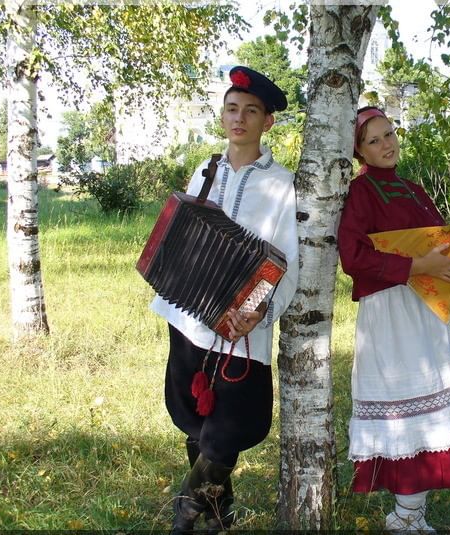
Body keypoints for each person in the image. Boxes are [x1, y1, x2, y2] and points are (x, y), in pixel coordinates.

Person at [337, 106, 450, 532]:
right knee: (403, 407)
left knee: (426, 407)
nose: (386, 144)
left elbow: (444, 250)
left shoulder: (414, 191)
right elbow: (353, 257)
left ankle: (410, 516)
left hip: (425, 311)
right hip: (391, 311)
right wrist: (418, 267)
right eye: (374, 140)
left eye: (390, 133)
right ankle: (405, 518)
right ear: (359, 151)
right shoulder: (360, 194)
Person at [149, 66, 298, 533]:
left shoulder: (283, 184)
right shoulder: (205, 171)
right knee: (193, 417)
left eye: (251, 111)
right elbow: (184, 231)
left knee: (233, 423)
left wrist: (255, 312)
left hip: (240, 328)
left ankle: (185, 511)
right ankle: (216, 517)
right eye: (232, 109)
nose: (239, 119)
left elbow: (282, 260)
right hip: (189, 316)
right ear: (222, 116)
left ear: (267, 122)